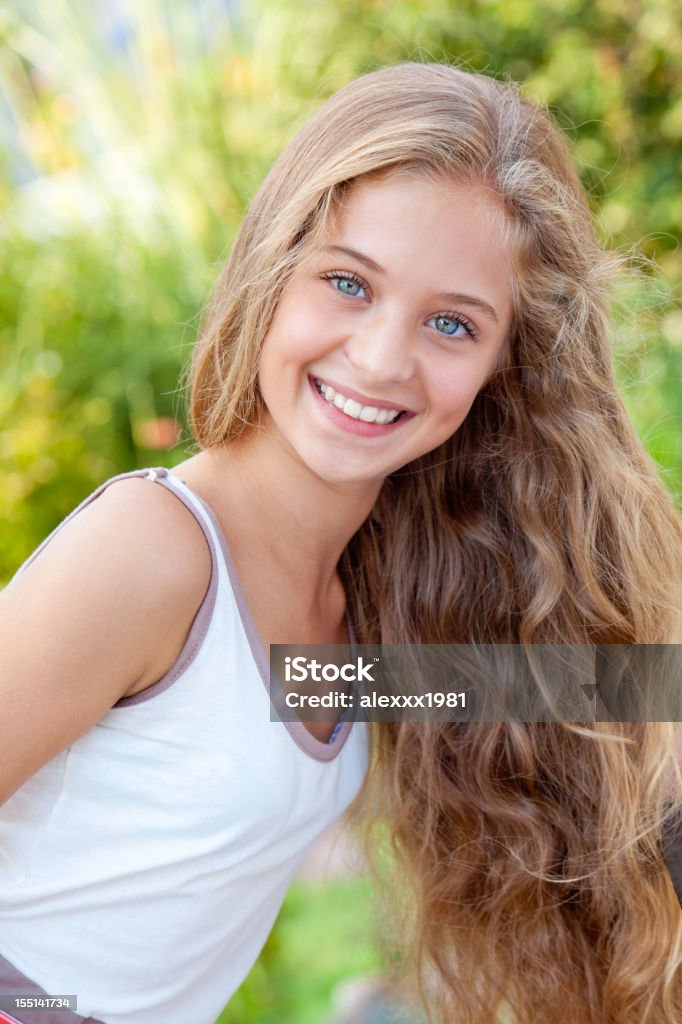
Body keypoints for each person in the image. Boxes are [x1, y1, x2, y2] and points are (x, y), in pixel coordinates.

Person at [0, 60, 680, 1024]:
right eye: (348, 283)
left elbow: (612, 693)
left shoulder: (360, 594)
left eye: (452, 323)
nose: (381, 356)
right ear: (273, 269)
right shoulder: (156, 552)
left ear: (502, 368)